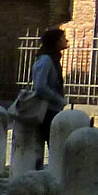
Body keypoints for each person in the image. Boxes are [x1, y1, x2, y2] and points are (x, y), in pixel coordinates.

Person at [25, 28, 68, 169]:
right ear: (55, 42)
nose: (66, 40)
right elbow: (40, 86)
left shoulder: (53, 58)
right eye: (63, 38)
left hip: (53, 109)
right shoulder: (46, 60)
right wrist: (59, 99)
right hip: (47, 109)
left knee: (55, 144)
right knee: (55, 145)